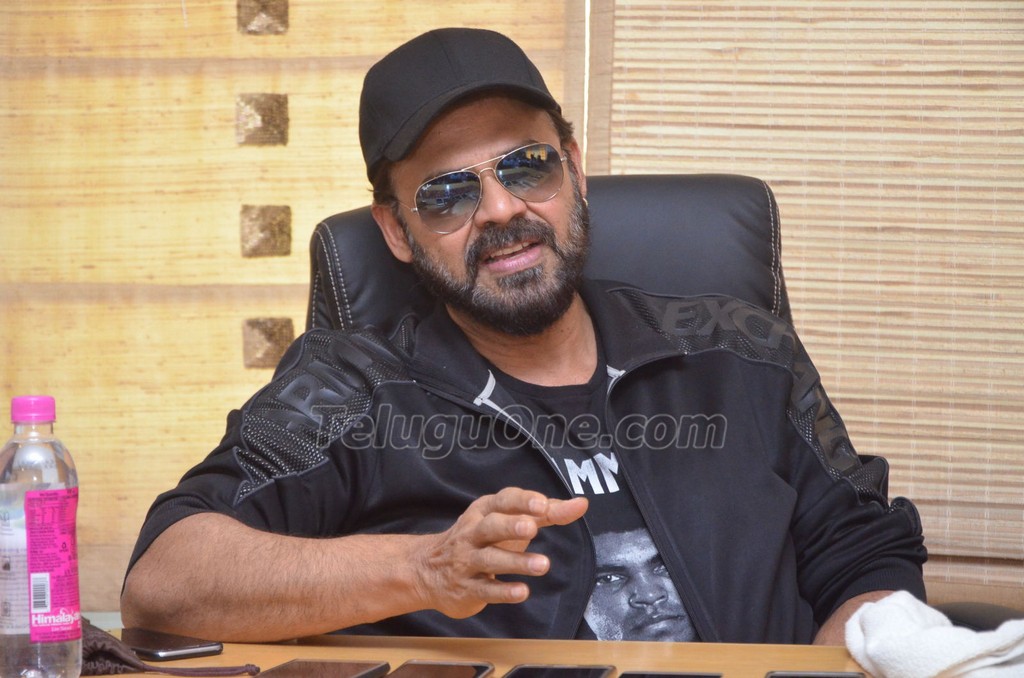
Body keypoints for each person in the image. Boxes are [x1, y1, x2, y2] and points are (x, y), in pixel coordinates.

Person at [120, 27, 927, 645]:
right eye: (446, 194)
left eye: (527, 165)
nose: (502, 209)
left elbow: (867, 559)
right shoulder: (351, 385)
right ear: (396, 230)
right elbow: (164, 580)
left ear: (573, 169)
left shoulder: (741, 346)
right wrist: (422, 569)